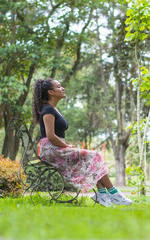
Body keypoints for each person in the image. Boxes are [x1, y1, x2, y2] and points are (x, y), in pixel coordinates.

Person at [32, 78, 132, 207]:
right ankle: (114, 194)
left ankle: (102, 193)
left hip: (57, 147)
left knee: (91, 159)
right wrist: (66, 146)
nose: (62, 88)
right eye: (59, 86)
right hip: (51, 150)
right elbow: (50, 136)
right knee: (94, 156)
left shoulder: (54, 109)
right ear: (50, 92)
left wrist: (65, 146)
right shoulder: (47, 110)